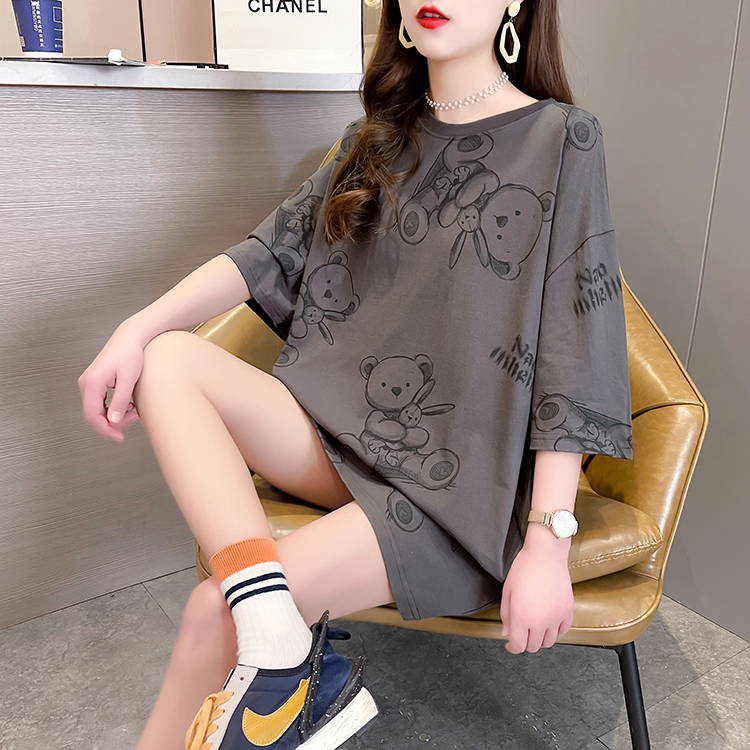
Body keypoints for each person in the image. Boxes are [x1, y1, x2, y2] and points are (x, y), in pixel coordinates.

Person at [78, 0, 634, 748]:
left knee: (213, 612)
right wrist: (136, 328)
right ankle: (279, 641)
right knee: (167, 356)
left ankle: (273, 647)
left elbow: (575, 345)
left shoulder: (563, 138)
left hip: (456, 489)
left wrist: (548, 542)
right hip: (335, 436)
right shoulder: (372, 140)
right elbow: (265, 255)